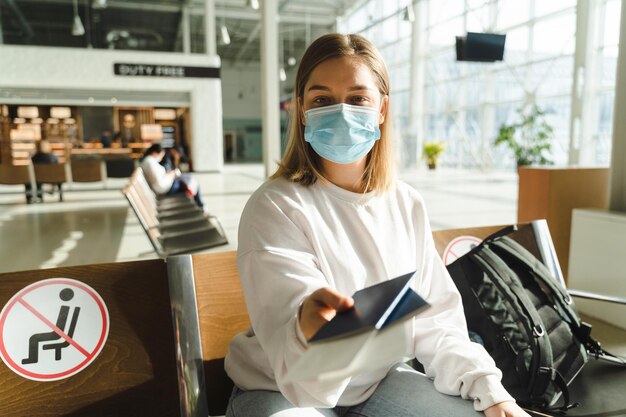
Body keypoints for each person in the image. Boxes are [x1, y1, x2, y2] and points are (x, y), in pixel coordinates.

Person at [224, 33, 531, 417]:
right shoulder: (275, 206)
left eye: (357, 99)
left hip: (378, 383)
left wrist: (491, 392)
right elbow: (299, 379)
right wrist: (308, 331)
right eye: (321, 99)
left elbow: (434, 320)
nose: (341, 112)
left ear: (381, 109)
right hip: (280, 391)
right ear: (301, 108)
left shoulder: (405, 203)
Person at [140, 143, 204, 208]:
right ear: (155, 153)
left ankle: (199, 206)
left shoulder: (149, 161)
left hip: (166, 187)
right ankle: (200, 206)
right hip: (166, 188)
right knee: (193, 183)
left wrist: (169, 175)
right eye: (161, 155)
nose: (161, 158)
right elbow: (160, 184)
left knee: (190, 181)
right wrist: (170, 175)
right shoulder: (150, 162)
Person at [25, 139, 59, 204]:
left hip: (38, 178)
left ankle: (34, 197)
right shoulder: (54, 157)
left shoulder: (34, 158)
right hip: (53, 177)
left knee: (34, 179)